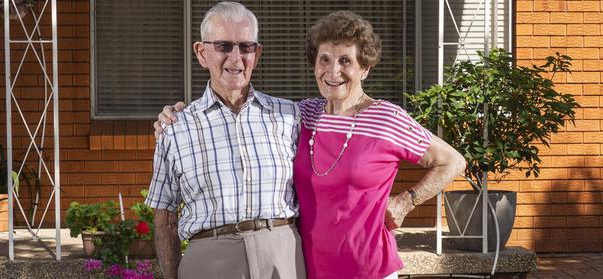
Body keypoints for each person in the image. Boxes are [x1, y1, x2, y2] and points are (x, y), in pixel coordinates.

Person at [156, 10, 465, 279]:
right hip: (307, 268)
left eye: (346, 61)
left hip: (369, 269)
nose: (333, 72)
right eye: (325, 60)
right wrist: (175, 115)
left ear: (365, 68)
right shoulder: (301, 114)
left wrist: (405, 201)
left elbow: (452, 161)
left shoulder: (386, 118)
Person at [145, 2, 306, 279]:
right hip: (209, 261)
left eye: (246, 47)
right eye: (223, 46)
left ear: (257, 53)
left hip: (282, 254)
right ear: (201, 52)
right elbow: (166, 218)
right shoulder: (176, 127)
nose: (235, 58)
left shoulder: (290, 115)